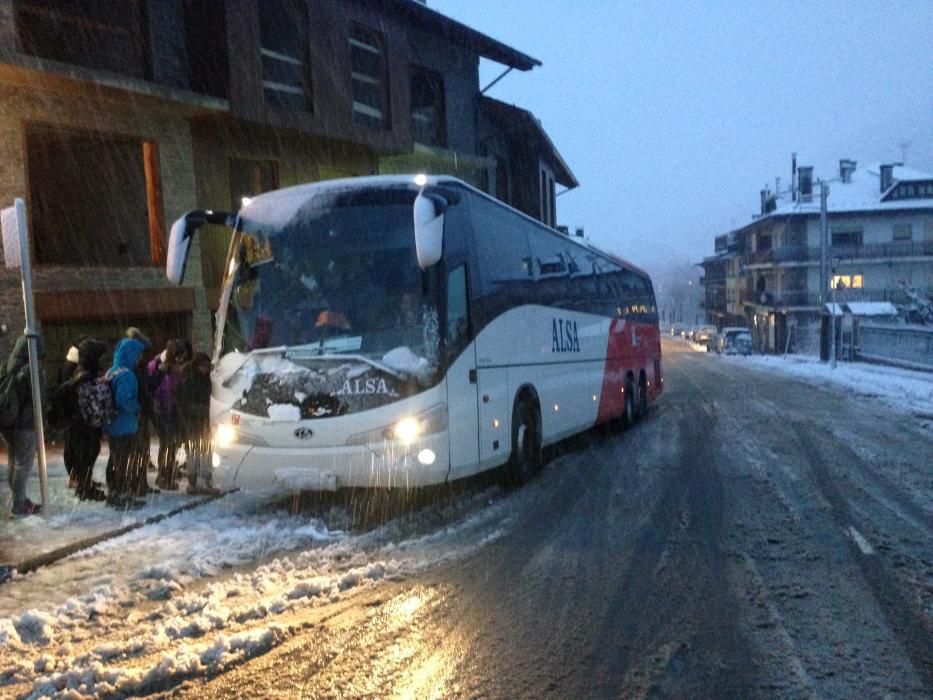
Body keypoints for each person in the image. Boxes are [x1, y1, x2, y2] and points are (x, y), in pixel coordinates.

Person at [49, 338, 108, 501]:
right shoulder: (80, 373)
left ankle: (84, 483)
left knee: (89, 452)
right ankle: (84, 487)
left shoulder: (84, 370)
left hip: (83, 422)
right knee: (84, 453)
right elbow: (73, 395)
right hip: (81, 423)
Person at [2, 334, 45, 516]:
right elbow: (39, 398)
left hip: (6, 422)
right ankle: (19, 506)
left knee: (14, 461)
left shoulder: (6, 366)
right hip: (24, 424)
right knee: (23, 464)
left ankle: (20, 500)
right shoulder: (30, 370)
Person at [104, 336, 146, 507]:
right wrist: (137, 408)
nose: (140, 358)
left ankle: (114, 492)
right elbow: (123, 400)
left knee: (115, 460)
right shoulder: (127, 375)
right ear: (131, 354)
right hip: (125, 425)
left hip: (112, 424)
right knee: (124, 462)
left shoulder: (112, 371)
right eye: (138, 354)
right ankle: (123, 495)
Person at [175, 352, 218, 495]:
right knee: (193, 454)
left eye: (208, 366)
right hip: (191, 424)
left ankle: (206, 481)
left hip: (204, 423)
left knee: (206, 453)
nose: (206, 369)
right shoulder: (189, 380)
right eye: (204, 366)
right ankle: (192, 483)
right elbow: (185, 404)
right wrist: (206, 410)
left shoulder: (206, 380)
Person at [148, 338, 186, 490]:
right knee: (167, 443)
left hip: (171, 408)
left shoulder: (172, 366)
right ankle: (163, 476)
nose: (181, 360)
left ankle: (167, 473)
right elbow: (154, 388)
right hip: (162, 410)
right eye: (179, 356)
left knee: (171, 443)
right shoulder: (157, 365)